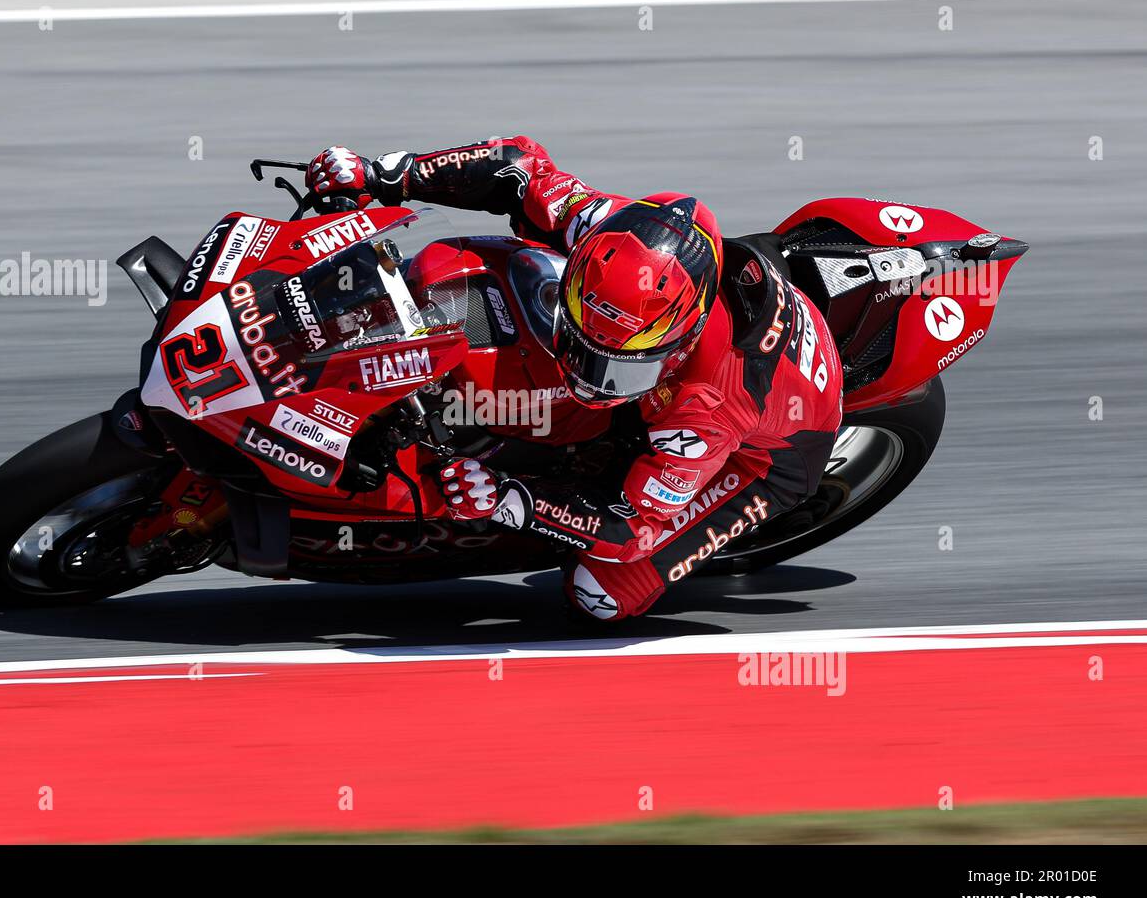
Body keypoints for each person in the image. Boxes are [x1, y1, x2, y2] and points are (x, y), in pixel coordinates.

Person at [306, 138, 843, 621]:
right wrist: (382, 175)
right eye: (583, 343)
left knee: (601, 595)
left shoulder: (703, 412)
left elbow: (634, 531)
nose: (591, 380)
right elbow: (518, 166)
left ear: (686, 335)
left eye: (619, 366)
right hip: (727, 336)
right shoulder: (609, 230)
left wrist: (509, 497)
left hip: (772, 457)